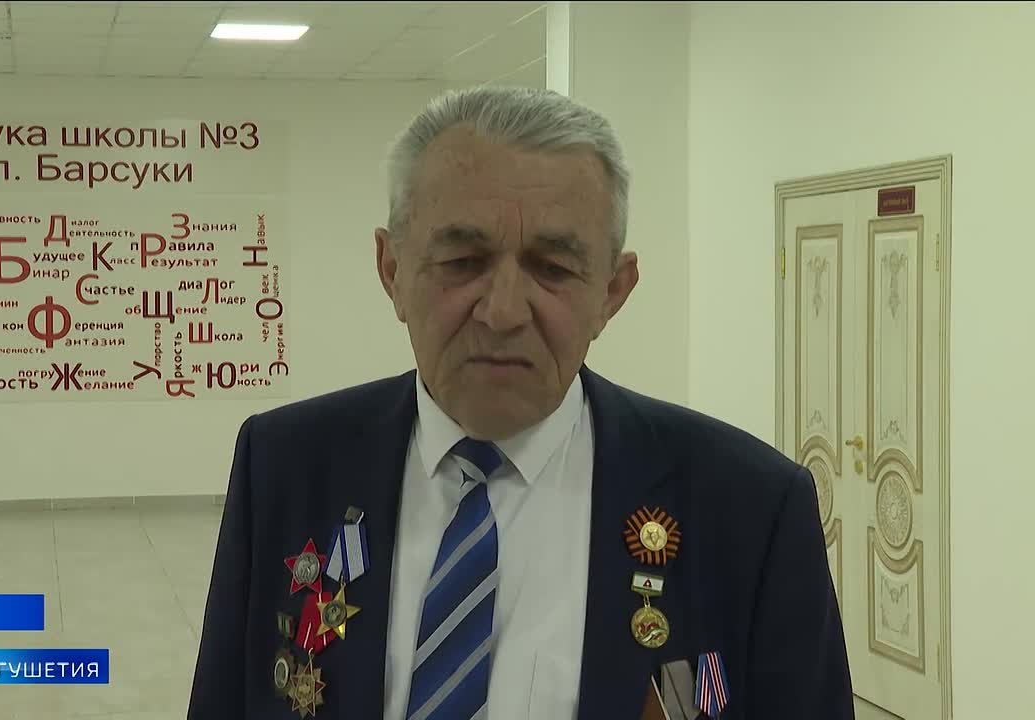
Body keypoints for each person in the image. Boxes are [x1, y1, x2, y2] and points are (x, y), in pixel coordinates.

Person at [188, 85, 853, 720]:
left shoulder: (748, 509)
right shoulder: (284, 466)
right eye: (462, 262)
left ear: (612, 293)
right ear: (392, 271)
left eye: (553, 269)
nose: (503, 311)